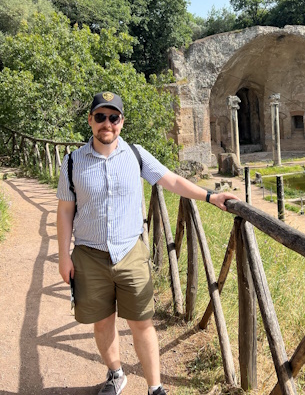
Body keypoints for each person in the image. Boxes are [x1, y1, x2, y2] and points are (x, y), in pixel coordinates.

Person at [56, 91, 239, 395]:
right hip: (89, 255)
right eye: (100, 116)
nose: (107, 123)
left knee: (142, 322)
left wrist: (211, 196)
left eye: (113, 117)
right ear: (90, 120)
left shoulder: (136, 154)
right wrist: (64, 257)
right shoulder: (73, 162)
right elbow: (64, 211)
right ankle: (116, 374)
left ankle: (155, 388)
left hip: (130, 252)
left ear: (121, 122)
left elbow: (171, 181)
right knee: (102, 323)